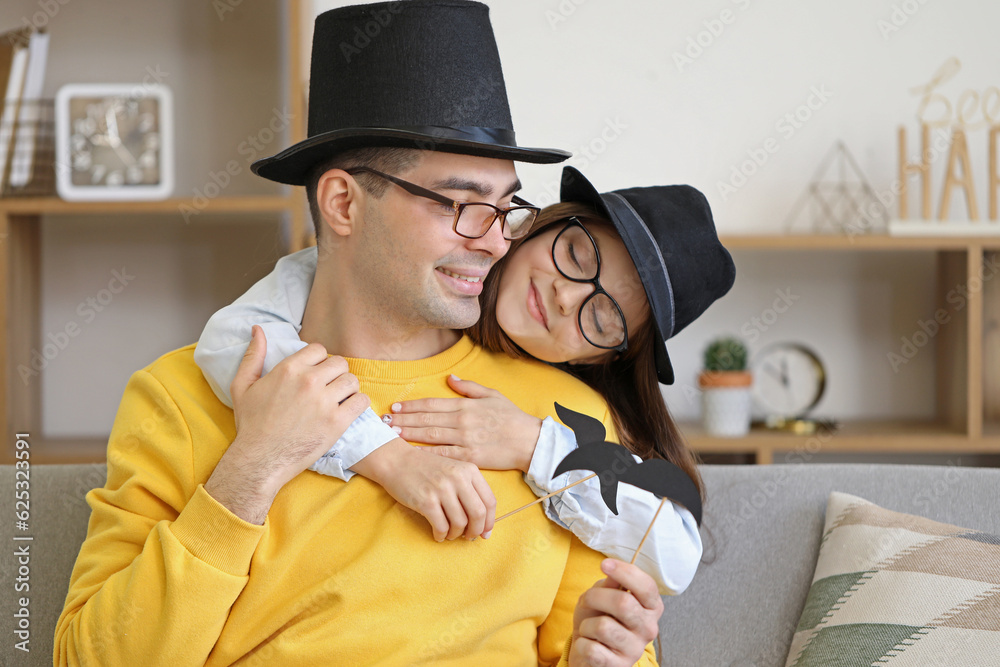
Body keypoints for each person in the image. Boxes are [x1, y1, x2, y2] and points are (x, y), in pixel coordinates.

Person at [54, 3, 666, 665]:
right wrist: (250, 473)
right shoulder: (181, 396)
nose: (495, 242)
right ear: (344, 203)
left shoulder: (560, 422)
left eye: (505, 206)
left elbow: (602, 645)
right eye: (462, 205)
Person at [194, 166, 735, 597]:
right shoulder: (377, 280)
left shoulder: (572, 413)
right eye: (575, 255)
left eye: (601, 317)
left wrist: (532, 444)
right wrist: (388, 458)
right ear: (543, 224)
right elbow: (236, 340)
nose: (566, 296)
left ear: (604, 356)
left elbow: (675, 554)